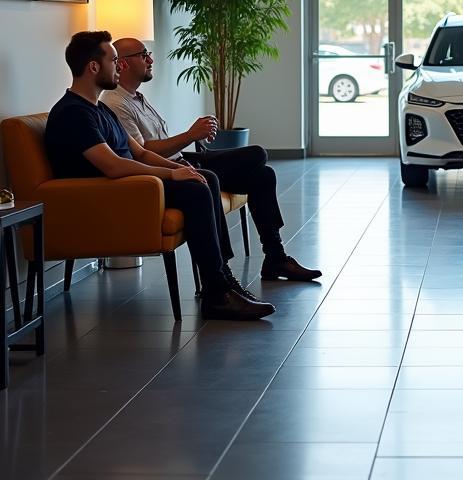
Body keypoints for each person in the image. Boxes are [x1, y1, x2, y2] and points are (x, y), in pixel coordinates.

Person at [45, 31, 275, 321]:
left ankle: (221, 281)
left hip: (134, 186)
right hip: (114, 195)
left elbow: (139, 153)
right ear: (93, 67)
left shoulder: (99, 108)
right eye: (113, 61)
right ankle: (217, 293)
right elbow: (114, 166)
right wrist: (169, 173)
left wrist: (180, 169)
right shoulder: (73, 114)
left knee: (205, 178)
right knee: (196, 189)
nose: (118, 67)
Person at [102, 37, 321, 283]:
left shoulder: (136, 97)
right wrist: (189, 136)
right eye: (143, 55)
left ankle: (275, 257)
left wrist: (192, 141)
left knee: (263, 174)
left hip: (182, 160)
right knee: (256, 155)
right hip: (165, 168)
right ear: (121, 64)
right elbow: (141, 152)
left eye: (148, 53)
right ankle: (223, 274)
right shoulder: (115, 103)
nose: (151, 60)